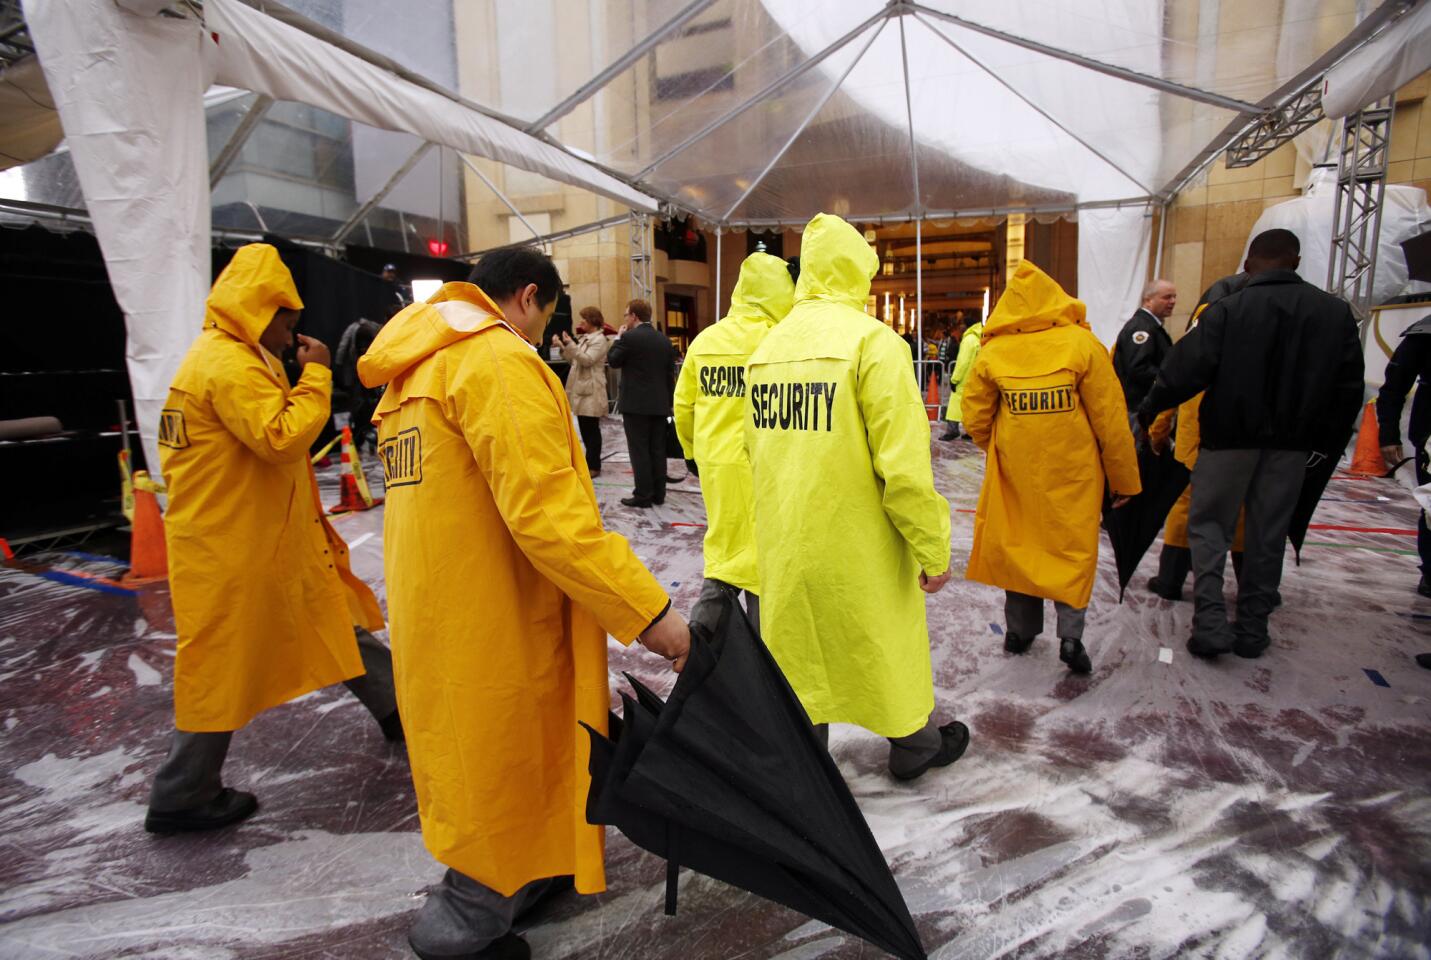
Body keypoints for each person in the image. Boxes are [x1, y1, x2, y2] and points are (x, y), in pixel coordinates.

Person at [356, 248, 690, 960]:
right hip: (497, 610)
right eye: (546, 315)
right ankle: (465, 920)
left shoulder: (412, 370)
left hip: (443, 601)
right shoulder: (495, 363)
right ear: (528, 297)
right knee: (505, 754)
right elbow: (549, 518)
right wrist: (649, 613)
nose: (543, 331)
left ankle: (528, 875)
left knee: (486, 751)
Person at [145, 243, 400, 835]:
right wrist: (315, 374)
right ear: (262, 310)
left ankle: (398, 711)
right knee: (219, 666)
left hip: (252, 538)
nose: (292, 333)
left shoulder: (223, 358)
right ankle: (183, 791)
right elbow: (281, 437)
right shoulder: (227, 364)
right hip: (234, 548)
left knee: (332, 618)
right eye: (287, 321)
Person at [745, 213, 968, 781]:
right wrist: (932, 549)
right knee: (882, 644)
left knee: (798, 658)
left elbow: (755, 451)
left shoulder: (768, 347)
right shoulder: (874, 343)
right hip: (857, 540)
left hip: (787, 536)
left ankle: (809, 778)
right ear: (857, 274)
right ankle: (915, 745)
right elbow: (906, 471)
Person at [1138, 229, 1364, 660]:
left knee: (1209, 530)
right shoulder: (1335, 315)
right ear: (1295, 262)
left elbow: (1184, 369)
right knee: (1268, 535)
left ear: (1247, 266)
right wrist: (1323, 444)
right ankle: (1253, 628)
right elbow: (1348, 388)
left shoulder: (1227, 310)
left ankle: (1209, 624)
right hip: (1291, 447)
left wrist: (1150, 410)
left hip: (1227, 443)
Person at [961, 261, 1141, 674]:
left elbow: (974, 416)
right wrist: (1125, 479)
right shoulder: (1082, 345)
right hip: (1073, 474)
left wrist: (1003, 447)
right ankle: (1071, 637)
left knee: (1019, 548)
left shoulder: (995, 351)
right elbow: (1111, 420)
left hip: (1015, 473)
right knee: (1071, 551)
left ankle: (1019, 631)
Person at [673, 252, 795, 634]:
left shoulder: (706, 340)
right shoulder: (782, 341)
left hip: (716, 465)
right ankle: (765, 657)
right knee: (765, 560)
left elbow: (684, 403)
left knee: (726, 550)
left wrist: (692, 452)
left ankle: (702, 646)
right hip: (768, 467)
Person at [1146, 274, 1250, 601]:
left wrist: (1157, 433)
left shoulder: (1198, 334)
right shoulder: (1255, 338)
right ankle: (1250, 587)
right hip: (1243, 442)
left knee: (1187, 509)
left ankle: (1171, 579)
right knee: (1244, 510)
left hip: (1198, 445)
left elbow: (1172, 384)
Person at [607, 298, 677, 508]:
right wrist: (669, 402)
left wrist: (618, 338)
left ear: (634, 316)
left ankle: (643, 495)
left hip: (636, 406)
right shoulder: (663, 340)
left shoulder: (629, 338)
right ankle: (659, 493)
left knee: (639, 451)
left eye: (626, 315)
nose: (625, 319)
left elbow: (613, 360)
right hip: (659, 405)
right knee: (657, 449)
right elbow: (669, 375)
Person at [555, 306, 611, 475]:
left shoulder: (599, 340)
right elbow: (574, 359)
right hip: (582, 390)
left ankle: (594, 465)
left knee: (592, 430)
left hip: (592, 391)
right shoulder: (586, 338)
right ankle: (589, 462)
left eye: (583, 320)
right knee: (585, 429)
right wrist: (563, 346)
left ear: (592, 321)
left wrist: (571, 344)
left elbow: (587, 360)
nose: (580, 323)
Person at [1112, 278, 1176, 415]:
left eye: (1174, 297)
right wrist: (1169, 379)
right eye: (1167, 297)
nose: (1173, 301)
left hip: (1143, 406)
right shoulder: (1141, 327)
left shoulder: (1151, 326)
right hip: (1138, 407)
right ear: (1148, 301)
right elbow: (1138, 368)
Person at [334, 315, 384, 451]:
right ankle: (360, 438)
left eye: (366, 348)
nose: (363, 350)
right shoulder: (355, 332)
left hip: (373, 369)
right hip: (356, 371)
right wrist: (339, 366)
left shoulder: (376, 334)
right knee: (359, 404)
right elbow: (343, 348)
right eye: (361, 348)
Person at [939, 314, 984, 442]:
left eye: (962, 324)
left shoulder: (968, 340)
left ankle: (952, 431)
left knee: (955, 407)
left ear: (967, 325)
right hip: (972, 379)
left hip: (963, 380)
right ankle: (970, 431)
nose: (960, 327)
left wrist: (954, 379)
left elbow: (962, 362)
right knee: (970, 407)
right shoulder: (976, 339)